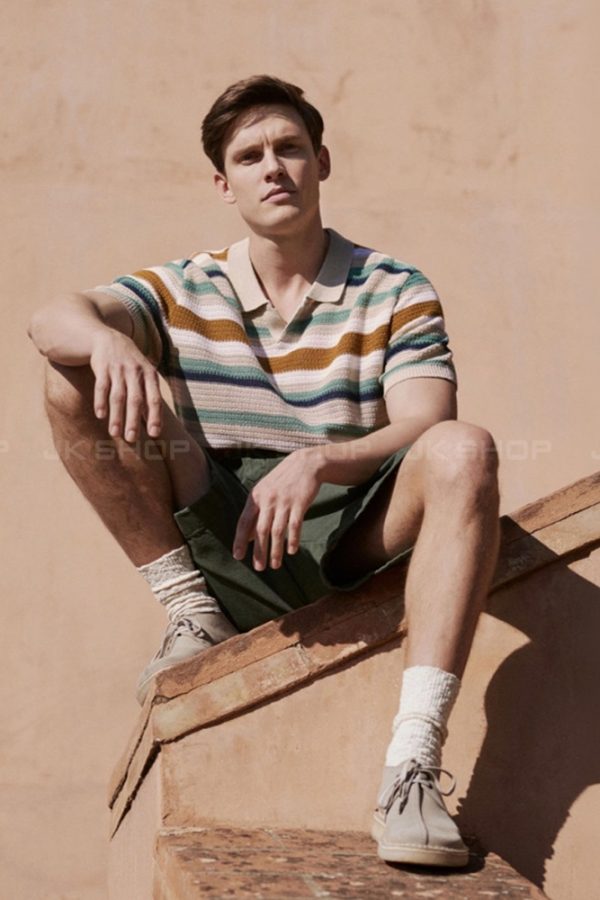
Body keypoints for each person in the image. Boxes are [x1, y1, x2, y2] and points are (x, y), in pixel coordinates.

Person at [28, 75, 500, 868]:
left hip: (350, 531)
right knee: (68, 372)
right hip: (220, 528)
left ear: (322, 162)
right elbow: (49, 320)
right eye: (249, 156)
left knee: (467, 449)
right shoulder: (184, 287)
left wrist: (320, 458)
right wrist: (108, 341)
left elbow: (428, 419)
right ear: (224, 184)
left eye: (289, 148)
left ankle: (412, 767)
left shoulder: (393, 287)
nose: (273, 167)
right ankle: (191, 610)